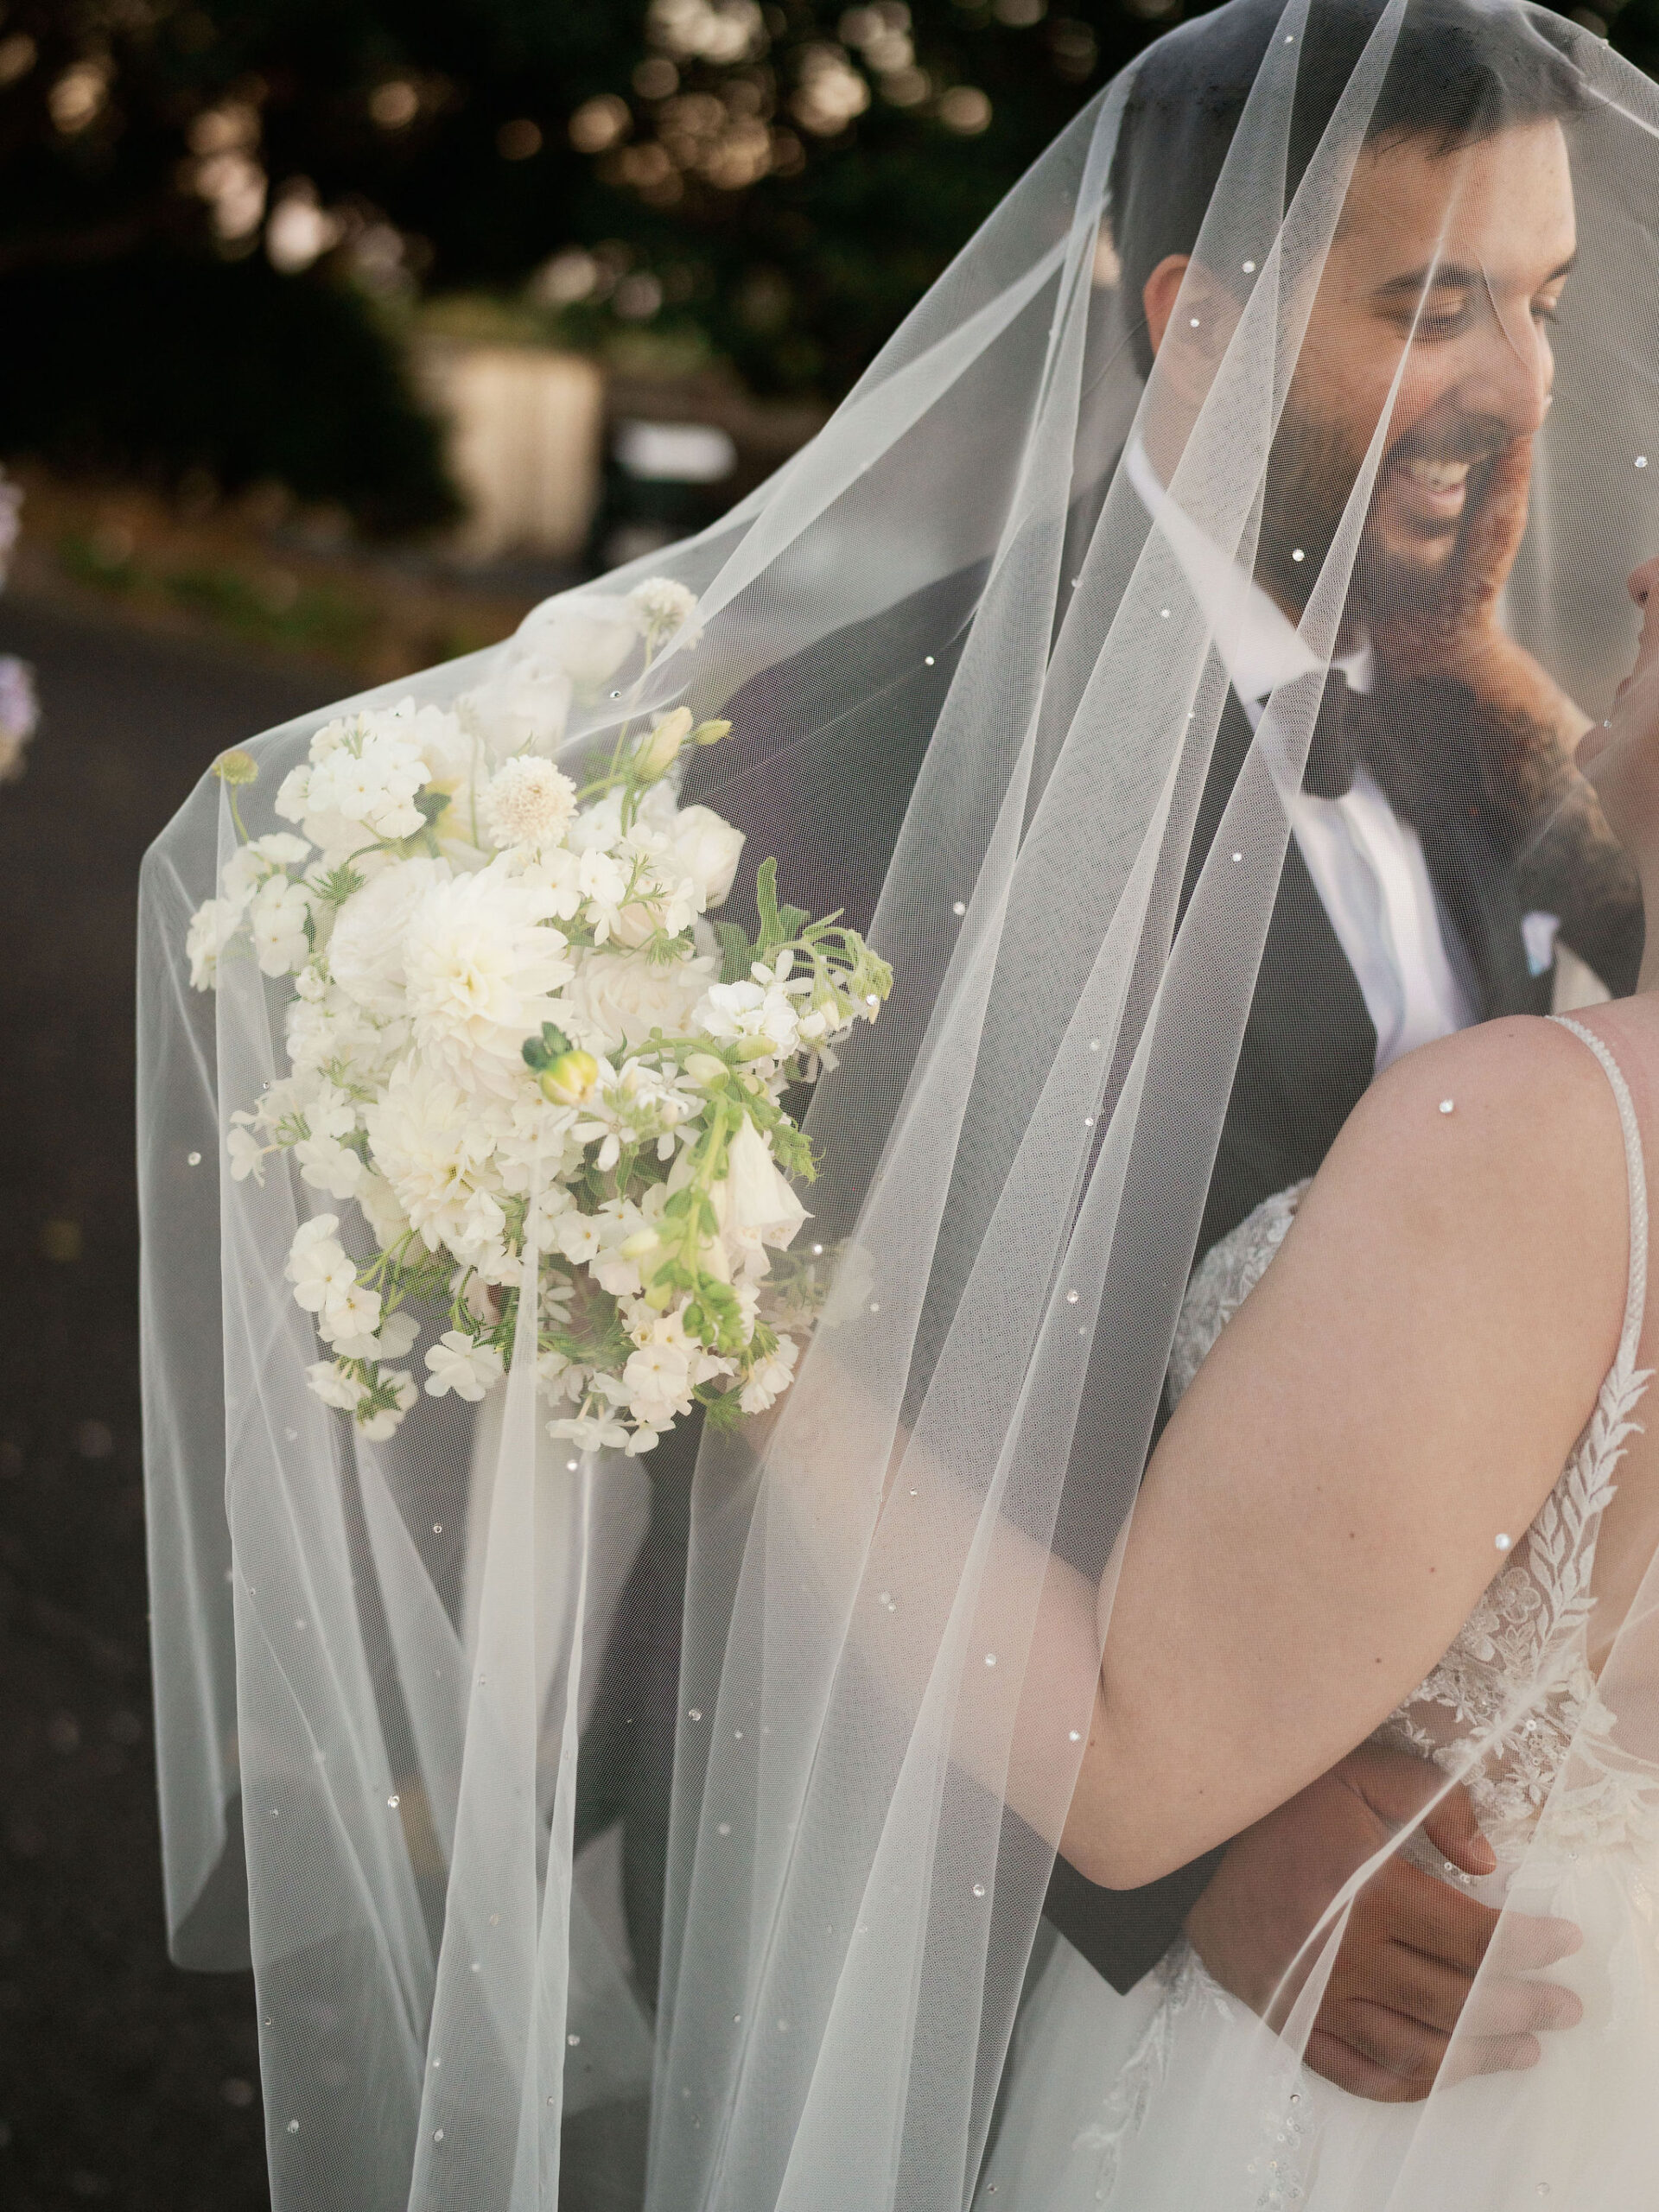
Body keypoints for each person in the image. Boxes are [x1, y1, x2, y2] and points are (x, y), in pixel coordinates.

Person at [137, 3, 1659, 2207]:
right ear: (1200, 325)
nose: (1514, 385)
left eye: (1540, 305)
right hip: (960, 1952)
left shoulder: (1494, 717)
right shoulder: (848, 768)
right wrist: (1185, 1847)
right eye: (1431, 310)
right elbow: (708, 1374)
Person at [973, 550, 1659, 2207]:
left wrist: (757, 1349)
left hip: (1373, 2093)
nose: (1636, 567)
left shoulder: (1545, 1129)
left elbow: (1127, 1787)